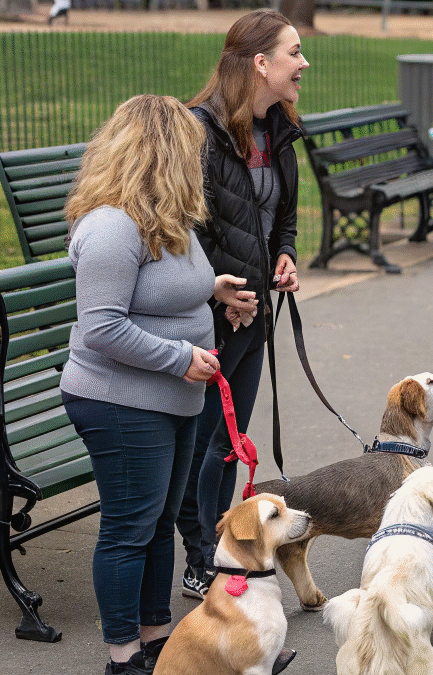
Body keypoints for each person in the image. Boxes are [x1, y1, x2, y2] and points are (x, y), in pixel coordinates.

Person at [59, 94, 255, 675]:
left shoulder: (167, 221)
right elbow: (101, 327)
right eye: (193, 154)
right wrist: (178, 359)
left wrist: (211, 289)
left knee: (161, 524)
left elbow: (169, 286)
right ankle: (124, 656)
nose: (200, 164)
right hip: (120, 402)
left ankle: (159, 643)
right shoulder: (110, 228)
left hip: (171, 399)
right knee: (130, 528)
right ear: (165, 155)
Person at [174, 8, 308, 602]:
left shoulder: (277, 129)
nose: (304, 63)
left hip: (252, 318)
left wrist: (284, 255)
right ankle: (198, 555)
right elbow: (181, 225)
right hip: (203, 320)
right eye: (294, 52)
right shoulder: (196, 131)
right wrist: (214, 287)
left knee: (229, 441)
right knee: (199, 442)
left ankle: (217, 549)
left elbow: (283, 214)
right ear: (260, 63)